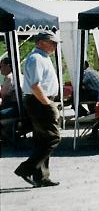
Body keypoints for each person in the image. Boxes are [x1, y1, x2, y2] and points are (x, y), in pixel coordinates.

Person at [14, 32, 62, 187]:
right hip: (39, 101)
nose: (55, 45)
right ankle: (26, 169)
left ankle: (41, 176)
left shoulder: (42, 57)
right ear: (41, 42)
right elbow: (35, 85)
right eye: (52, 42)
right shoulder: (36, 58)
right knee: (52, 137)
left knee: (42, 139)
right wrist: (48, 104)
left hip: (40, 100)